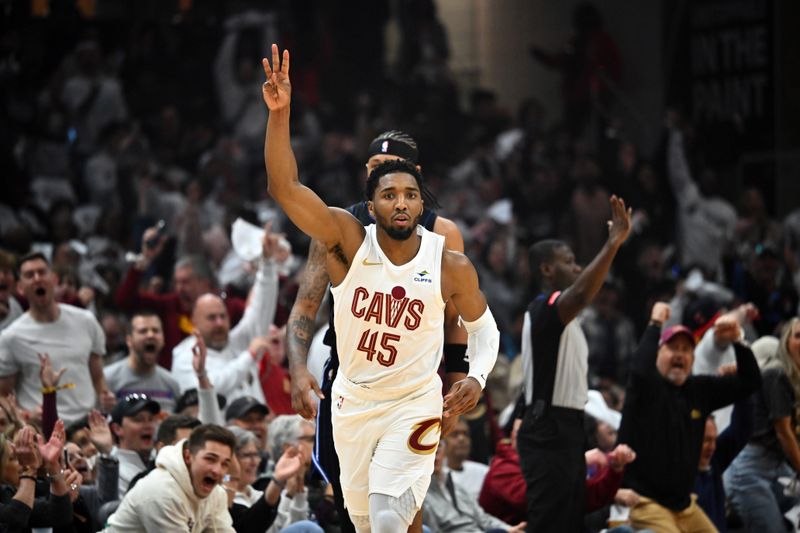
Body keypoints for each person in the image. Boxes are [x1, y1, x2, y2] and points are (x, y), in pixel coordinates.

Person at [263, 44, 498, 532]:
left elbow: (473, 327)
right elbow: (286, 193)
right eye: (379, 181)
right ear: (370, 197)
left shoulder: (446, 250)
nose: (395, 197)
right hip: (352, 391)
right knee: (363, 519)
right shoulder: (341, 234)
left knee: (395, 513)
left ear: (418, 188)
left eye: (406, 191)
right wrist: (281, 115)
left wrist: (467, 380)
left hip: (415, 393)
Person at [288, 127, 468, 533]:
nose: (384, 179)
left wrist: (456, 381)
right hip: (352, 381)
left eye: (392, 170)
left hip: (412, 384)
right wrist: (299, 369)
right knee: (355, 506)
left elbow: (456, 318)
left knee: (404, 502)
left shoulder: (442, 233)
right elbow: (305, 305)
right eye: (374, 169)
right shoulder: (340, 227)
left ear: (415, 177)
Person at [518, 195, 632, 533]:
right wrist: (612, 244)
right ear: (547, 270)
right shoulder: (543, 309)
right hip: (546, 427)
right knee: (550, 525)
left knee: (571, 523)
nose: (577, 267)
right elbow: (581, 294)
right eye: (569, 261)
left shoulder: (568, 320)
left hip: (567, 427)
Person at [618, 302, 761, 533]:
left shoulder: (699, 390)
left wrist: (738, 340)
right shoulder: (647, 387)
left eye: (686, 350)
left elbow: (750, 382)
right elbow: (639, 369)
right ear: (657, 354)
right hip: (647, 502)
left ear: (693, 359)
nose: (680, 355)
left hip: (686, 506)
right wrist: (655, 324)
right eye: (673, 348)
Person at [0, 252, 113, 423]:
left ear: (53, 279)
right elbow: (3, 395)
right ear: (20, 288)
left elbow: (98, 377)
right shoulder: (11, 337)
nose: (37, 279)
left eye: (42, 272)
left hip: (87, 429)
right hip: (40, 432)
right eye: (30, 275)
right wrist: (25, 415)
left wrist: (105, 396)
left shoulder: (86, 321)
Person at [170, 227, 280, 402]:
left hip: (258, 425)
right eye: (211, 318)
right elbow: (211, 389)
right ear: (195, 322)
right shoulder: (185, 355)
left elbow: (260, 310)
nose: (219, 323)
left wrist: (267, 264)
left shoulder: (236, 343)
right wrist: (249, 356)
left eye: (223, 316)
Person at [724, 317, 800, 532]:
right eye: (798, 336)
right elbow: (784, 432)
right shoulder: (777, 373)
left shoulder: (795, 376)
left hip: (777, 464)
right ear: (785, 342)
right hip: (752, 467)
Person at [105, 424, 237, 532]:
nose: (217, 470)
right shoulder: (162, 491)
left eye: (225, 464)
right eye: (210, 459)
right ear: (188, 456)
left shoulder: (216, 494)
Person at [423, 437, 525, 533]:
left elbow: (483, 518)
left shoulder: (455, 486)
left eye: (438, 447)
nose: (435, 454)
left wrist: (510, 529)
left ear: (444, 450)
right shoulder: (421, 497)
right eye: (428, 449)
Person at [104, 310, 182, 412]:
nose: (150, 335)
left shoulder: (172, 384)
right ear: (129, 340)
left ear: (163, 339)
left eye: (155, 330)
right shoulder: (108, 379)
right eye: (143, 331)